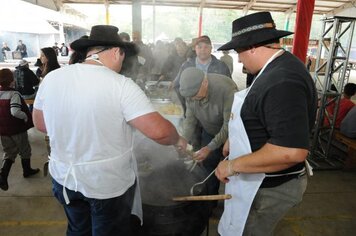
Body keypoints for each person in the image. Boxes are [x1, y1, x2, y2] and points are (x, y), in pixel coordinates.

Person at [32, 25, 187, 236]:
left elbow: (41, 124)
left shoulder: (52, 78)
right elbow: (159, 132)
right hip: (105, 185)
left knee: (78, 230)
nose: (123, 63)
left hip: (65, 180)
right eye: (123, 57)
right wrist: (178, 140)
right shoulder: (120, 85)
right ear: (116, 52)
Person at [214, 12, 317, 236]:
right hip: (258, 180)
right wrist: (237, 136)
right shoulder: (272, 69)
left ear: (251, 47)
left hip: (270, 188)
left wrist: (231, 166)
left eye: (239, 52)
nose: (239, 59)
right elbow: (265, 115)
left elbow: (290, 152)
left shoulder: (283, 80)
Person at [179, 67, 237, 199]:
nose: (193, 98)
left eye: (195, 94)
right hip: (210, 131)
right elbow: (190, 120)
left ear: (205, 82)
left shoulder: (226, 89)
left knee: (230, 171)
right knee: (208, 166)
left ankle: (232, 201)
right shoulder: (190, 91)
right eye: (190, 96)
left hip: (231, 135)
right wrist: (183, 139)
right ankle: (209, 202)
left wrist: (210, 147)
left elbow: (229, 125)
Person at [0, 69, 40, 191]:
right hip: (16, 128)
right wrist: (25, 116)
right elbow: (15, 111)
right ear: (12, 81)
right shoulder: (14, 94)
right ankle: (27, 170)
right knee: (24, 150)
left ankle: (3, 175)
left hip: (3, 130)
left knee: (9, 152)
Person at [173, 35, 231, 111]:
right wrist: (187, 103)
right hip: (192, 110)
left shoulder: (221, 67)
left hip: (215, 111)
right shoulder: (187, 66)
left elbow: (229, 89)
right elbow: (177, 86)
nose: (203, 50)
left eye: (206, 47)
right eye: (199, 47)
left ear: (211, 48)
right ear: (195, 49)